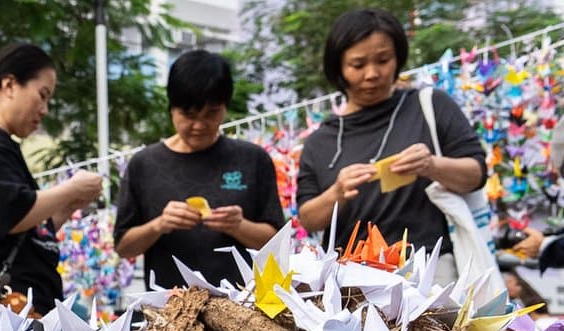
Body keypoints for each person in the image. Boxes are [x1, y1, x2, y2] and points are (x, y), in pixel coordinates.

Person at [296, 8, 485, 278]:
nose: (372, 74)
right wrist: (336, 193)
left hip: (428, 269)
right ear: (338, 67)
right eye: (358, 65)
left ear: (398, 58)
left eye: (383, 60)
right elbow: (308, 218)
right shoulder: (320, 140)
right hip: (350, 279)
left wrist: (431, 165)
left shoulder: (430, 105)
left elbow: (476, 174)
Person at [0, 42, 103, 316]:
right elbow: (14, 212)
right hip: (6, 312)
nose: (45, 109)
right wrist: (70, 188)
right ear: (9, 85)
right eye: (42, 95)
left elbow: (29, 228)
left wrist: (66, 207)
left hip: (24, 307)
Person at [114, 50, 285, 288]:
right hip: (169, 310)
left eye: (211, 113)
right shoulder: (144, 164)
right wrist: (159, 224)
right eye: (188, 114)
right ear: (171, 109)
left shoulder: (252, 159)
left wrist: (239, 225)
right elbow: (123, 246)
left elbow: (278, 244)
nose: (199, 125)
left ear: (225, 107)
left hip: (243, 309)